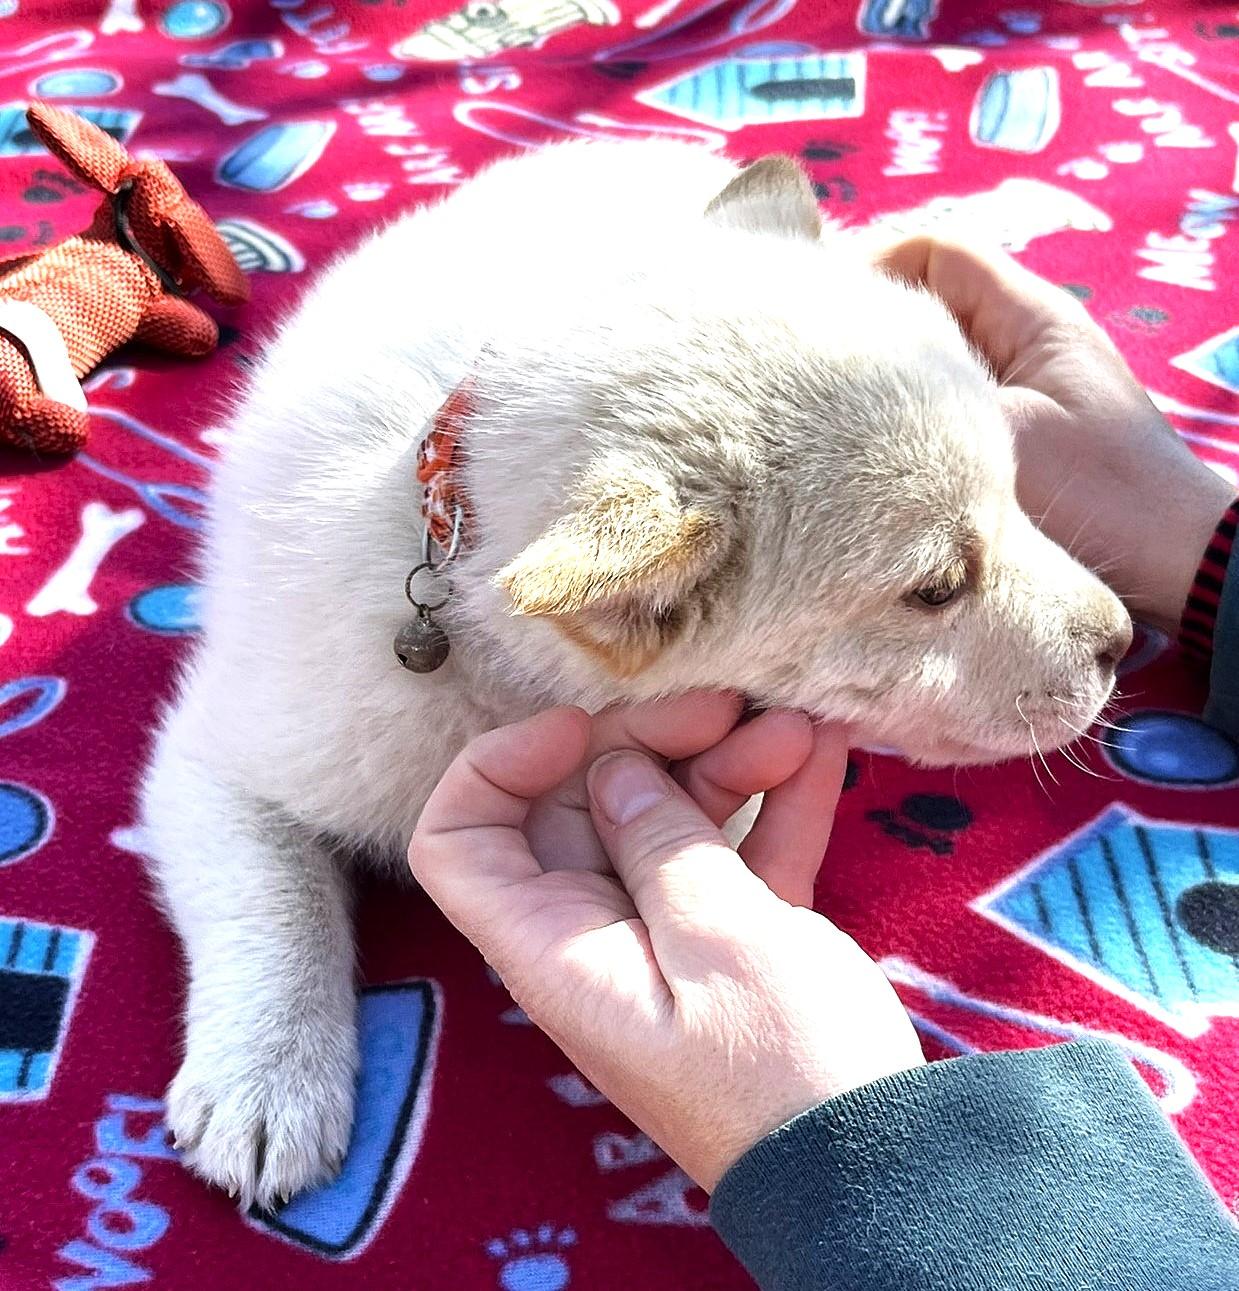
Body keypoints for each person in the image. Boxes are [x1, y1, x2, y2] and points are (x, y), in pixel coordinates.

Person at [407, 236, 1239, 1290]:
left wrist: (835, 1140)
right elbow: (238, 781)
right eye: (935, 585)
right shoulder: (607, 570)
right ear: (643, 599)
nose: (1103, 615)